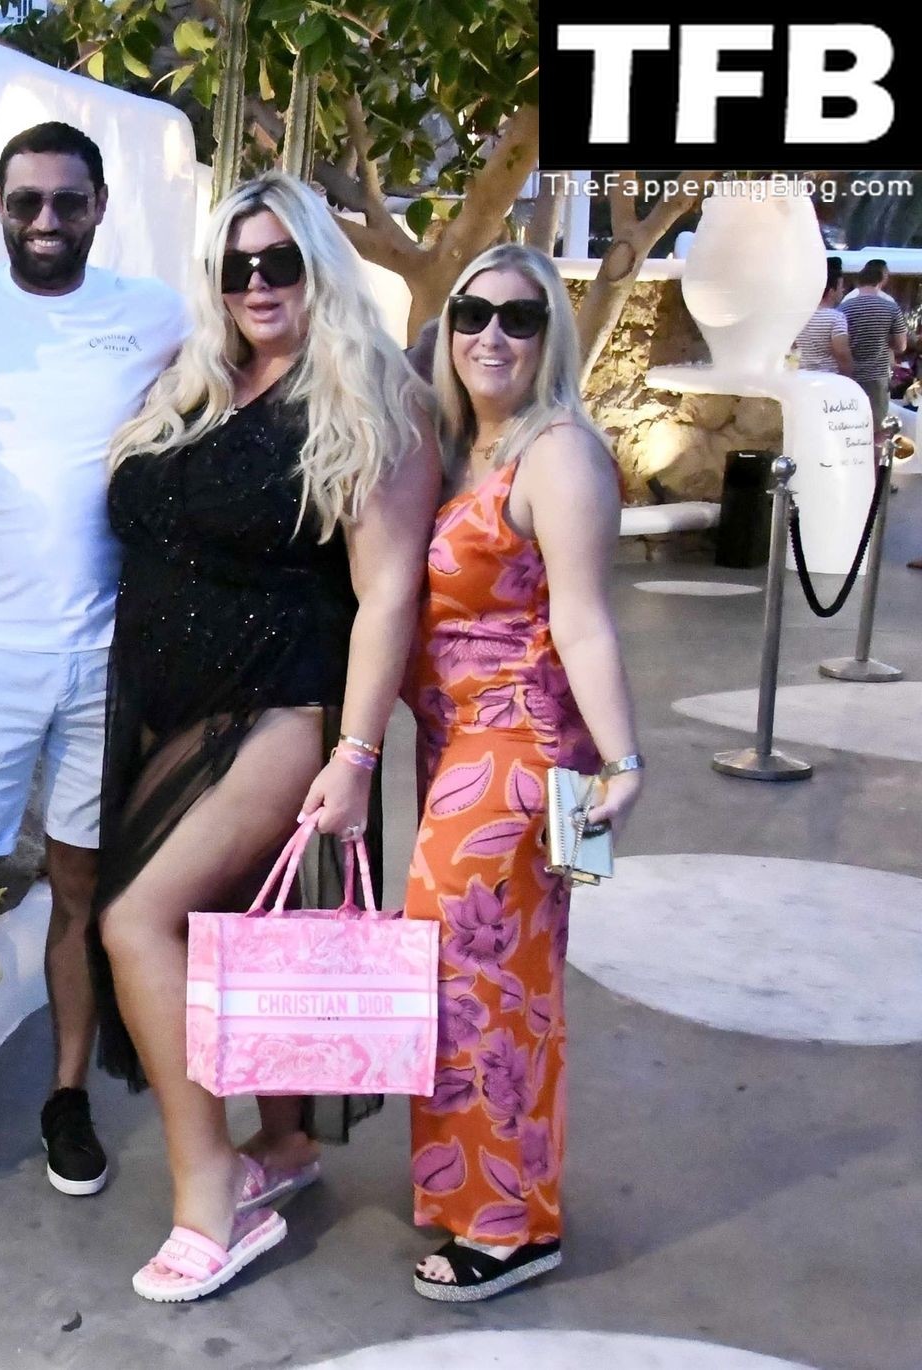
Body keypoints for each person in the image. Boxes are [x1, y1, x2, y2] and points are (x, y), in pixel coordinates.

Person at [97, 172, 440, 1302]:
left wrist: (357, 756)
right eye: (235, 266)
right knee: (241, 927)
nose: (256, 284)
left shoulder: (371, 397)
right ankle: (284, 1146)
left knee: (137, 923)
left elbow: (387, 594)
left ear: (319, 269)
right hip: (176, 706)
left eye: (278, 261)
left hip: (283, 706)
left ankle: (213, 1198)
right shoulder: (199, 379)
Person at [0, 123, 188, 1199]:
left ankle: (67, 1092)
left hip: (105, 655)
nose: (47, 220)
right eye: (27, 201)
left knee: (81, 886)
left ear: (100, 204)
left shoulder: (154, 315)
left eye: (68, 200)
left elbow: (257, 370)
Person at [405, 243, 644, 1302]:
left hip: (520, 752)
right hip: (459, 745)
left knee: (481, 982)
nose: (491, 336)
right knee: (499, 982)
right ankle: (487, 1197)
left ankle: (508, 1225)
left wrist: (625, 762)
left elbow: (584, 623)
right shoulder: (467, 445)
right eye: (472, 314)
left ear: (554, 336)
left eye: (520, 317)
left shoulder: (558, 455)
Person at [840, 259, 909, 430]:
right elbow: (901, 346)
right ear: (883, 278)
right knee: (876, 429)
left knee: (850, 426)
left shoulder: (844, 307)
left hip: (850, 376)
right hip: (877, 378)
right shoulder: (890, 307)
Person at [792, 256, 851, 375]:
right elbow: (841, 352)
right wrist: (847, 375)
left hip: (801, 375)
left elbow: (792, 349)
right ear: (831, 291)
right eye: (840, 287)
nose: (843, 290)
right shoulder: (836, 318)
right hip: (828, 376)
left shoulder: (798, 316)